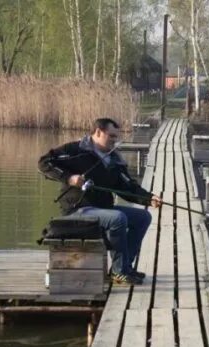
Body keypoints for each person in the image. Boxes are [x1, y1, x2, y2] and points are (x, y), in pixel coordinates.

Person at [38, 117, 161, 286]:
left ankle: (125, 266)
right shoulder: (75, 150)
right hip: (78, 210)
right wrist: (69, 178)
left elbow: (127, 187)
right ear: (98, 132)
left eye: (116, 137)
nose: (114, 140)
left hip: (103, 209)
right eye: (111, 136)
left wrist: (149, 198)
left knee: (143, 217)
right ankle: (119, 272)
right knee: (118, 218)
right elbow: (44, 163)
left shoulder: (114, 160)